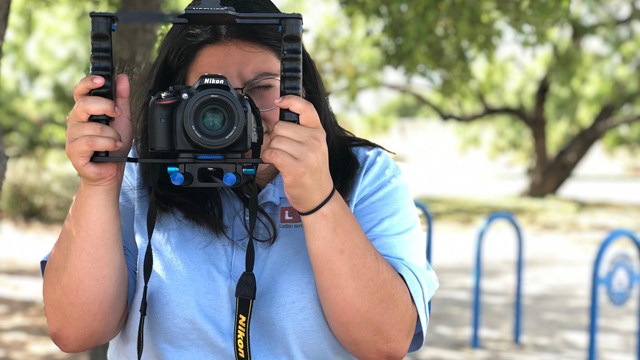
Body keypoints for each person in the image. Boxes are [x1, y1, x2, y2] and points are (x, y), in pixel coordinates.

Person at [42, 0, 438, 358]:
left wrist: (319, 198)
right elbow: (76, 331)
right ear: (172, 103)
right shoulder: (139, 175)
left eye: (261, 88)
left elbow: (386, 341)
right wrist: (99, 182)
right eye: (209, 98)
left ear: (301, 92)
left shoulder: (364, 175)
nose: (234, 111)